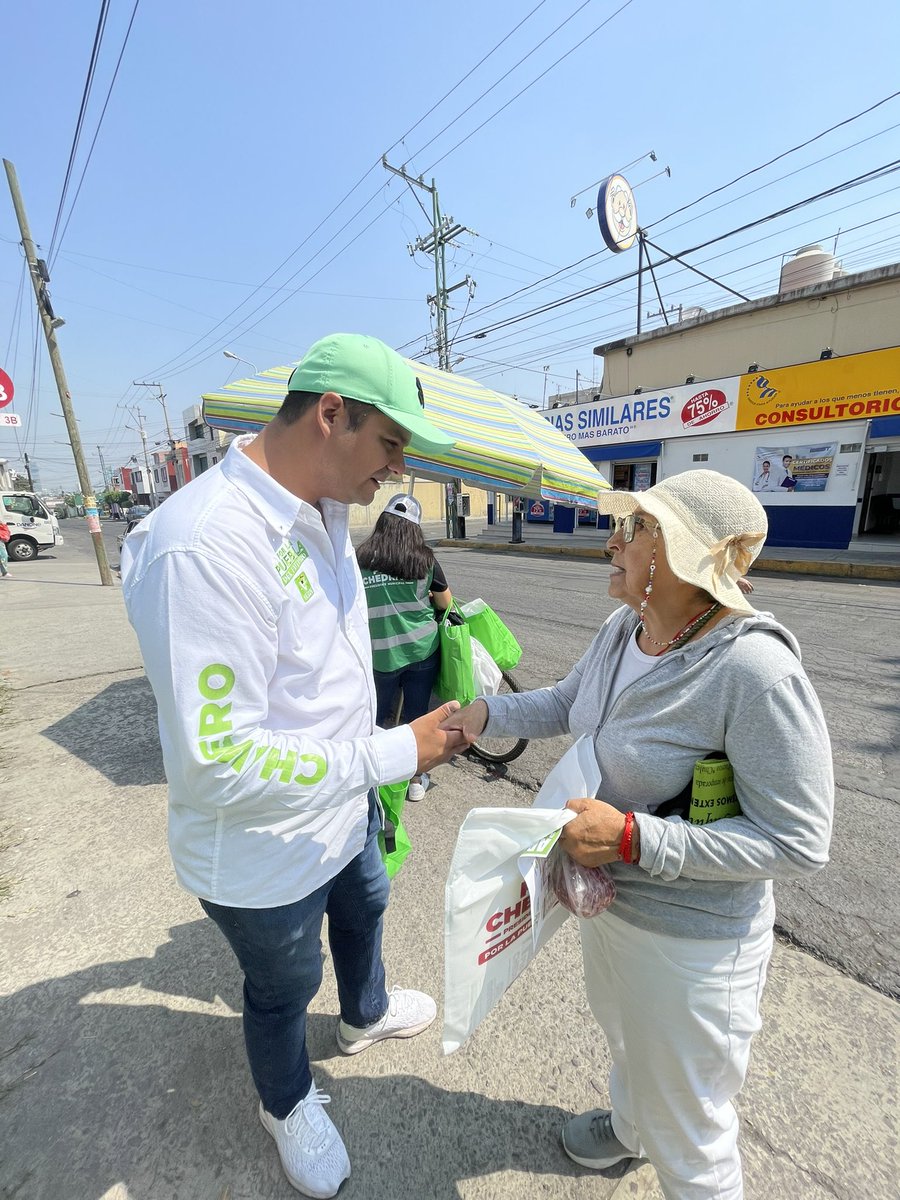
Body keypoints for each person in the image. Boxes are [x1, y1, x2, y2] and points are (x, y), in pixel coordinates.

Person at [121, 332, 467, 1199]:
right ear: (330, 415)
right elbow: (219, 761)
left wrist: (372, 769)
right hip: (260, 846)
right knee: (283, 985)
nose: (397, 472)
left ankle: (366, 1015)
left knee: (367, 904)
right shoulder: (204, 545)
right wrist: (398, 748)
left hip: (339, 807)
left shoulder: (325, 510)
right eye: (391, 445)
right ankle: (286, 1100)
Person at [442, 469, 833, 1200]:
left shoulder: (756, 671)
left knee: (694, 1134)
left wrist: (634, 840)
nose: (611, 544)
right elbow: (570, 702)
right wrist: (484, 717)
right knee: (626, 1036)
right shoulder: (625, 629)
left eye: (635, 528)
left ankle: (667, 1144)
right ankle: (630, 1128)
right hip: (608, 904)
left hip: (694, 942)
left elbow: (799, 840)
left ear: (680, 554)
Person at [357, 493, 453, 802]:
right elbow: (445, 602)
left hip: (378, 653)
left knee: (376, 716)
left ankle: (373, 778)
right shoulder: (425, 560)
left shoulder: (361, 559)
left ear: (382, 521)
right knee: (416, 716)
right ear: (416, 528)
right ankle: (415, 779)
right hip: (420, 650)